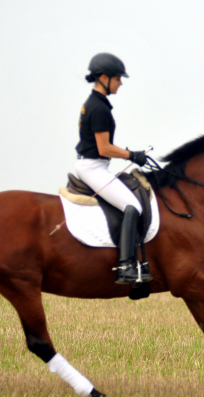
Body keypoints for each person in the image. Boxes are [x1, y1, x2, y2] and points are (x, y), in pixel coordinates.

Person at [75, 52, 152, 285]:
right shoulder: (98, 108)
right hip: (93, 167)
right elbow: (104, 147)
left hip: (94, 165)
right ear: (104, 77)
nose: (120, 83)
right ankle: (125, 266)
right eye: (118, 78)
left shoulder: (96, 104)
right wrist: (132, 155)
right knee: (132, 206)